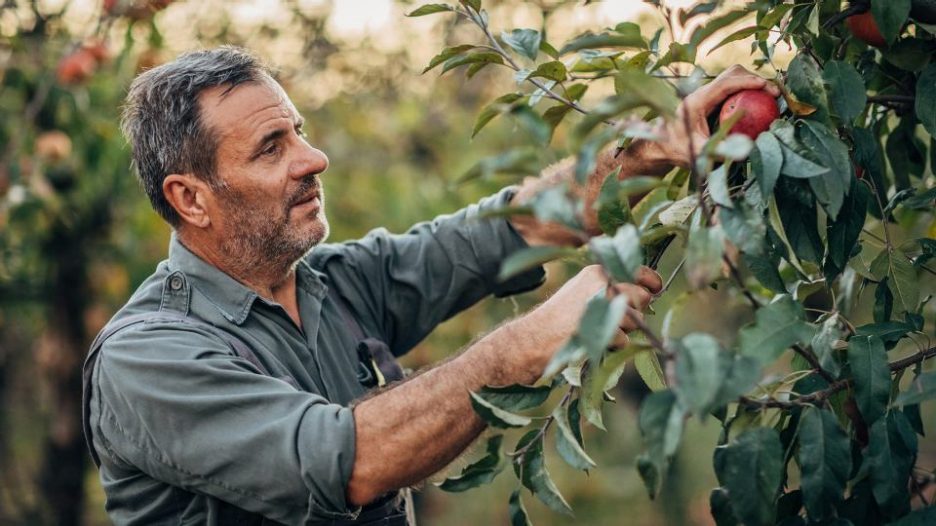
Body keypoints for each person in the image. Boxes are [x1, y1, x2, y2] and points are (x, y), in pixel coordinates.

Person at [82, 46, 780, 525]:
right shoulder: (148, 359)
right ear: (191, 198)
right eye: (272, 149)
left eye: (299, 132)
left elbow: (512, 227)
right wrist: (526, 345)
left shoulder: (329, 282)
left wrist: (657, 148)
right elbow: (348, 462)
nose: (313, 158)